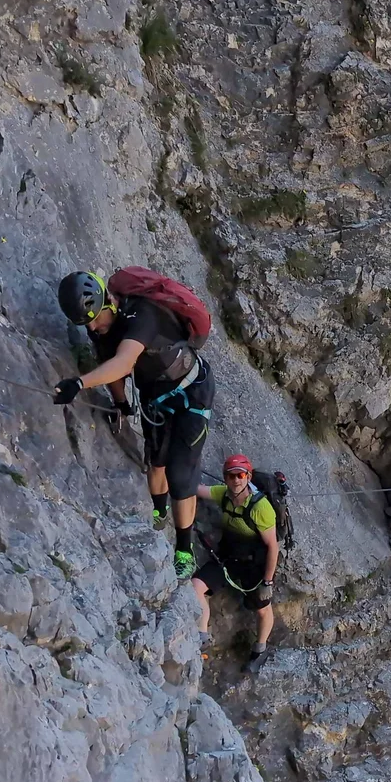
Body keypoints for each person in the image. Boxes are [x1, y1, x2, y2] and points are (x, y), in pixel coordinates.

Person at [55, 269, 212, 578]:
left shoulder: (143, 313)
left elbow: (124, 362)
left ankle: (183, 549)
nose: (93, 327)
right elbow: (111, 367)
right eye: (86, 324)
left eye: (95, 319)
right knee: (156, 463)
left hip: (193, 392)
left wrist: (78, 383)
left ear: (108, 302)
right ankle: (159, 509)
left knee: (181, 476)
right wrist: (121, 405)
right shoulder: (100, 329)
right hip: (156, 398)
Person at [193, 454, 279, 663]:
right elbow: (198, 490)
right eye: (231, 476)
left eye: (240, 475)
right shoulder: (223, 494)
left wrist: (267, 582)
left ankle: (259, 649)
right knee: (196, 586)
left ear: (248, 476)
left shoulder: (261, 508)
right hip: (229, 557)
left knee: (262, 609)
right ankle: (201, 637)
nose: (236, 480)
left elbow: (273, 547)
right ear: (225, 478)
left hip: (253, 563)